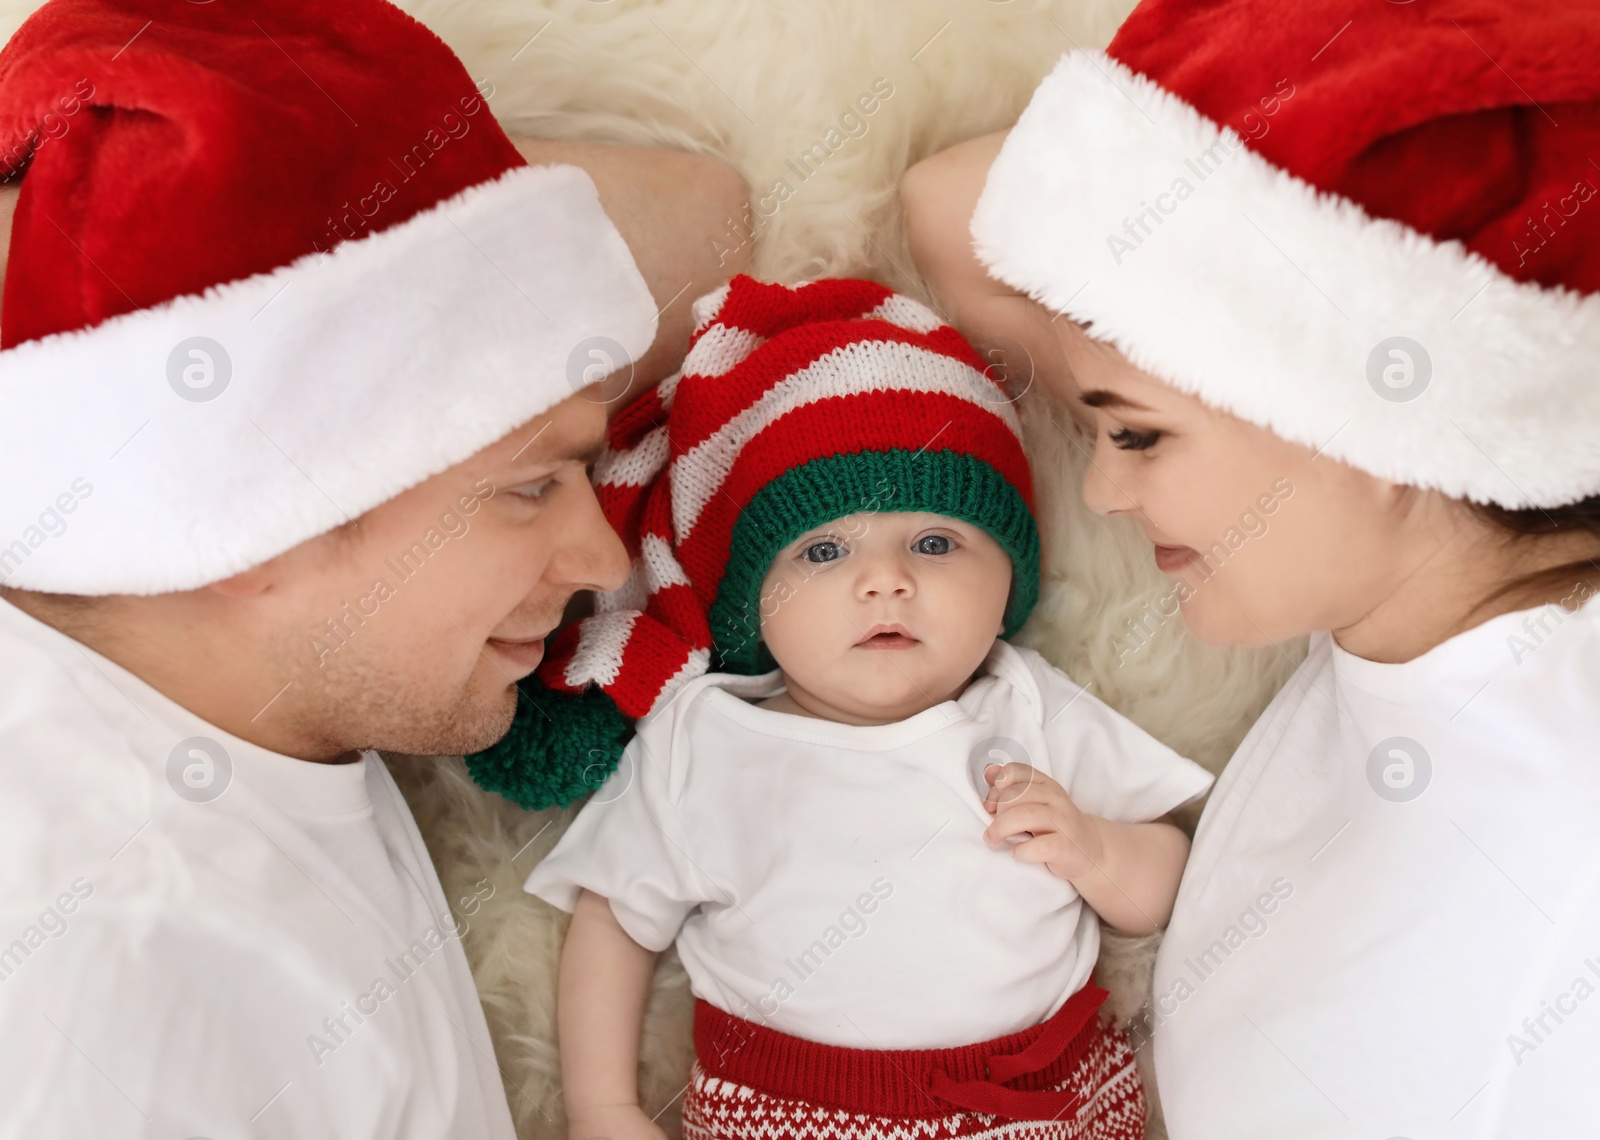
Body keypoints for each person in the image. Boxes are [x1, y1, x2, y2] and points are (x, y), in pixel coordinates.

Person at [0, 0, 747, 1135]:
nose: (602, 557)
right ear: (264, 522)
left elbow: (707, 222)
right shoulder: (113, 976)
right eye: (533, 488)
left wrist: (198, 194)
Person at [902, 0, 1600, 1135]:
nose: (1099, 490)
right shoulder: (1404, 613)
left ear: (1377, 423)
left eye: (1136, 435)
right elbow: (949, 213)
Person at [491, 275, 1213, 1140]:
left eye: (936, 542)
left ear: (1010, 578)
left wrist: (1096, 852)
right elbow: (615, 917)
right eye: (824, 550)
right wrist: (602, 1106)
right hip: (786, 1106)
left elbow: (1172, 878)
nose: (886, 580)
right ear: (750, 598)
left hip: (1038, 1101)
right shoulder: (705, 737)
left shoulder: (1028, 707)